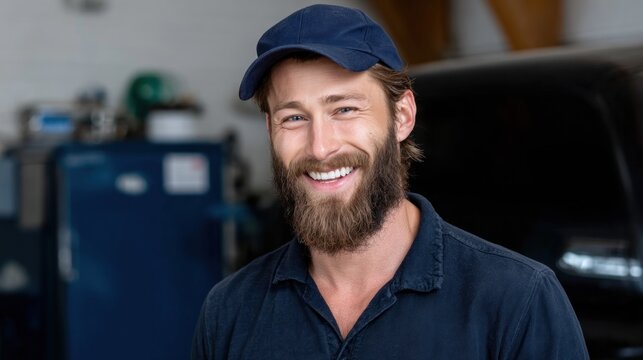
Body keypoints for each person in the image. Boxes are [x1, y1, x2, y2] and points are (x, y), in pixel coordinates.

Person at [192, 4, 589, 359]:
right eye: (293, 117)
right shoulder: (231, 311)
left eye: (345, 109)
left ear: (402, 116)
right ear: (270, 129)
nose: (321, 146)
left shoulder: (517, 301)